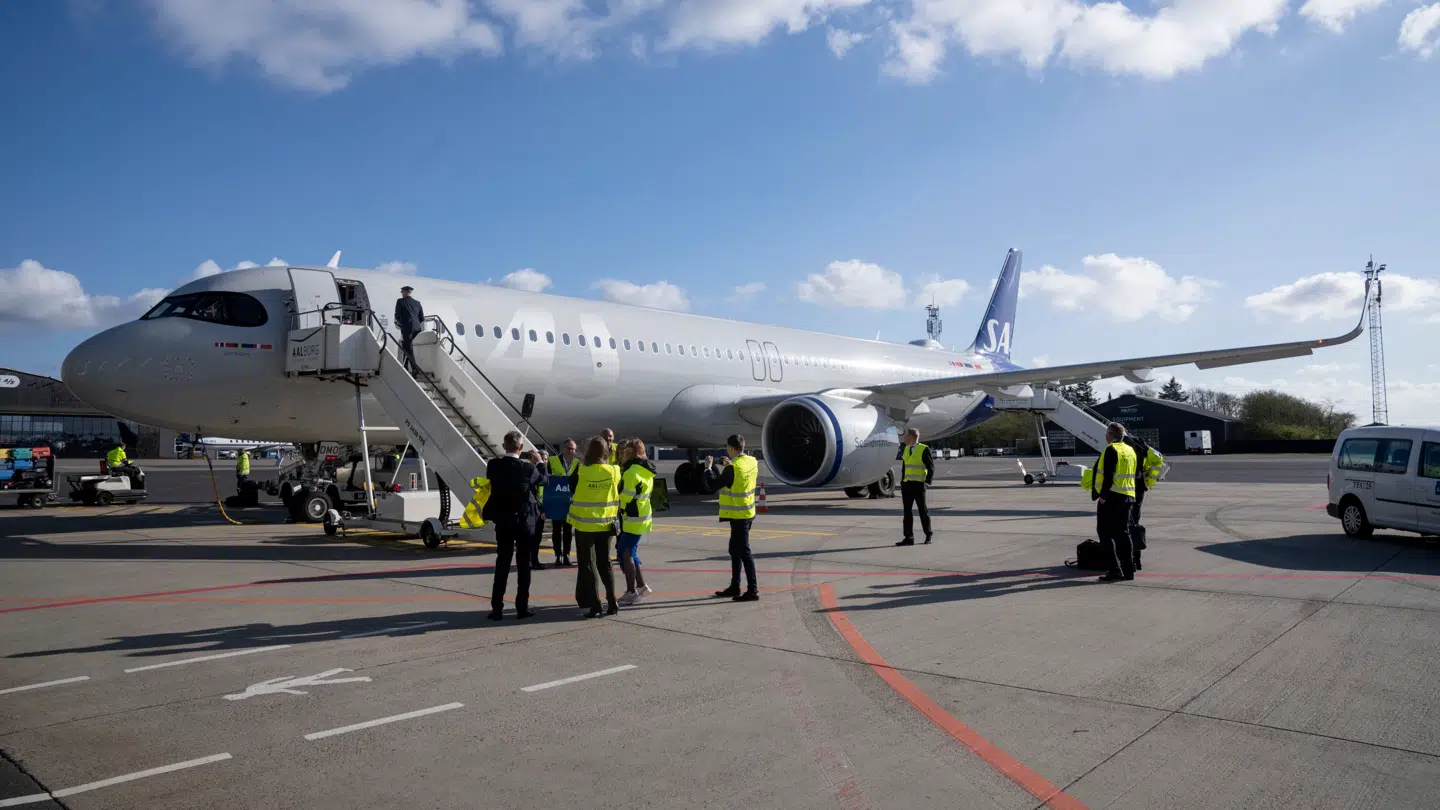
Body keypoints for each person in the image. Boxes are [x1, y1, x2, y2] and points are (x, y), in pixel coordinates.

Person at [480, 431, 542, 620]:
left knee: (502, 564)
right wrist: (539, 462)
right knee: (524, 566)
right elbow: (543, 480)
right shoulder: (528, 469)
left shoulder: (494, 466)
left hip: (504, 522)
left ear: (504, 446)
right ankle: (521, 607)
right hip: (524, 523)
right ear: (521, 448)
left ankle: (497, 608)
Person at [568, 436, 621, 618]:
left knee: (587, 565)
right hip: (606, 525)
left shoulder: (581, 472)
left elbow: (572, 488)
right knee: (604, 562)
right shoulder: (614, 471)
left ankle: (595, 604)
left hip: (585, 525)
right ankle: (612, 601)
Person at [705, 434, 759, 602]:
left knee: (743, 552)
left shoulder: (732, 469)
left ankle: (753, 590)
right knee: (735, 551)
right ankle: (735, 586)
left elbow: (713, 485)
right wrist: (729, 465)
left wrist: (708, 468)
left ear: (731, 448)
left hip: (738, 515)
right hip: (747, 512)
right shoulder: (751, 461)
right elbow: (738, 477)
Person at [1091, 422, 1139, 583]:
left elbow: (1109, 476)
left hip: (1112, 496)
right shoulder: (1130, 450)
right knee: (1123, 533)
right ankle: (1129, 570)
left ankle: (1114, 569)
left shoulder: (1112, 449)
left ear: (1110, 435)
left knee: (1105, 533)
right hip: (1129, 495)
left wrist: (1103, 496)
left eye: (1107, 433)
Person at [617, 440, 656, 605]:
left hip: (633, 517)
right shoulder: (646, 469)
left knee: (624, 553)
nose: (623, 454)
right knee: (630, 552)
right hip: (642, 516)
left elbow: (625, 497)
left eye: (626, 451)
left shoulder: (631, 472)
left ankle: (632, 591)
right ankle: (640, 586)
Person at [1121, 433, 1164, 571]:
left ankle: (1128, 562)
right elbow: (1158, 459)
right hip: (1140, 488)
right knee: (1135, 524)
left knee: (1123, 526)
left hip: (1125, 489)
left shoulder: (1120, 447)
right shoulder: (1141, 444)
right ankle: (1137, 560)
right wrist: (1149, 478)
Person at [896, 428, 935, 546]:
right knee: (907, 512)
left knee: (922, 510)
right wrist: (902, 481)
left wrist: (927, 482)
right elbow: (905, 466)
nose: (904, 438)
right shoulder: (906, 449)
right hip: (907, 484)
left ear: (911, 437)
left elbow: (930, 466)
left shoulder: (924, 449)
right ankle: (908, 537)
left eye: (906, 436)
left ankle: (928, 535)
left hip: (919, 485)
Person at [547, 439, 579, 566]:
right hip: (556, 499)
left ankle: (566, 554)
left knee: (567, 530)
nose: (571, 451)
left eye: (573, 449)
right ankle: (557, 555)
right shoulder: (553, 460)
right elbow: (547, 477)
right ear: (563, 448)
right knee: (556, 529)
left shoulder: (577, 463)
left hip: (569, 500)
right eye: (568, 448)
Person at [394, 285, 425, 374]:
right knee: (406, 346)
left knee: (407, 347)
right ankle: (405, 366)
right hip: (417, 328)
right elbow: (422, 318)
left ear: (405, 292)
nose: (401, 294)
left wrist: (401, 323)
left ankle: (415, 368)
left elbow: (397, 315)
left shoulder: (400, 301)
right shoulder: (417, 303)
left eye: (402, 292)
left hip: (407, 327)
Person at [529, 449, 548, 570]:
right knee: (534, 538)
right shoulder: (534, 472)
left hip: (542, 510)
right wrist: (541, 510)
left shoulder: (546, 472)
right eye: (542, 459)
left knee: (538, 538)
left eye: (546, 459)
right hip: (536, 510)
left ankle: (534, 560)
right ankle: (533, 561)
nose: (544, 462)